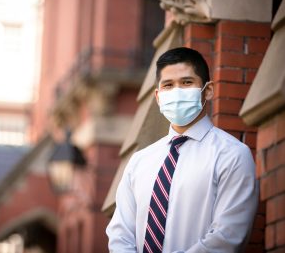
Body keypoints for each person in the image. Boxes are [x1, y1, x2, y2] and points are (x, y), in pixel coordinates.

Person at [106, 47, 258, 253]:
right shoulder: (139, 162)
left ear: (208, 90)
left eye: (187, 82)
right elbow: (120, 234)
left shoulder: (233, 155)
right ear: (158, 97)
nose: (177, 92)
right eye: (168, 85)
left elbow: (228, 237)